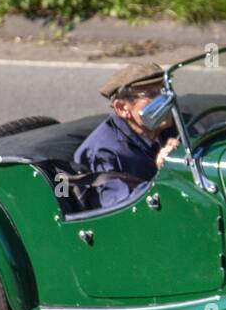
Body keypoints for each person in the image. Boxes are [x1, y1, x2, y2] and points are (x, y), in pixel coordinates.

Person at [73, 63, 180, 209]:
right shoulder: (105, 153)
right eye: (152, 94)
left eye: (165, 90)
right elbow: (125, 210)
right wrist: (165, 172)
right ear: (122, 108)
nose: (165, 99)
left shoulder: (171, 127)